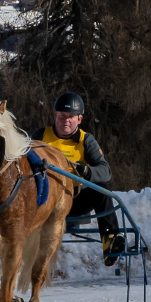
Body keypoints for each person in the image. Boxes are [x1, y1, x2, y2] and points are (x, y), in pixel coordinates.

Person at [41, 91, 125, 266]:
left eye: (70, 116)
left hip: (75, 200)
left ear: (79, 119)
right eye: (61, 115)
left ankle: (110, 240)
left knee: (102, 187)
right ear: (55, 116)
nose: (65, 120)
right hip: (45, 201)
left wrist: (87, 172)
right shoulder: (40, 137)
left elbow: (105, 170)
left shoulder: (86, 140)